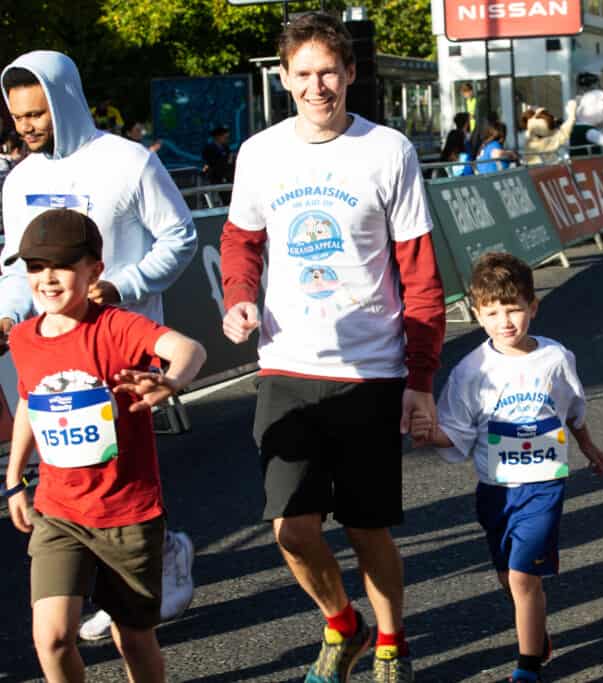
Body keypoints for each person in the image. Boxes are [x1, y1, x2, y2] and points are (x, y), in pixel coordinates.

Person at [219, 13, 445, 682]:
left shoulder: (388, 150)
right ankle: (341, 620)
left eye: (329, 71)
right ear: (283, 79)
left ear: (349, 73)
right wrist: (239, 294)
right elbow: (241, 239)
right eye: (304, 73)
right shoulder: (260, 152)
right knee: (292, 526)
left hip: (371, 369)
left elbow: (420, 272)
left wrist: (421, 376)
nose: (318, 85)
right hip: (287, 363)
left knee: (368, 527)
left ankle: (390, 642)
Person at [1, 50, 200, 641]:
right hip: (51, 342)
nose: (27, 127)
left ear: (65, 100)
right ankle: (103, 578)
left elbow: (181, 236)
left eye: (37, 113)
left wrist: (121, 287)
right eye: (17, 117)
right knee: (69, 462)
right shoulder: (23, 177)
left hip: (120, 339)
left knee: (115, 465)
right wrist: (7, 317)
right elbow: (19, 268)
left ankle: (156, 558)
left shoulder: (126, 161)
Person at [3, 209, 206, 683]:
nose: (46, 280)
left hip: (127, 512)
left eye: (61, 266)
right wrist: (15, 478)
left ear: (94, 270)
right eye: (35, 267)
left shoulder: (117, 327)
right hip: (59, 511)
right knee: (52, 639)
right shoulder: (24, 338)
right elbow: (32, 404)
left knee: (132, 638)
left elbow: (189, 348)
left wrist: (171, 380)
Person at [411, 252, 603, 683]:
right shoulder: (471, 371)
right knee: (509, 577)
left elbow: (572, 408)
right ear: (476, 314)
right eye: (493, 312)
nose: (505, 321)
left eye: (514, 308)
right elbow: (458, 433)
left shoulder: (556, 358)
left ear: (533, 306)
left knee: (522, 576)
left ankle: (526, 667)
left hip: (543, 485)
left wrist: (588, 445)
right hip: (495, 490)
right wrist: (430, 435)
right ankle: (535, 635)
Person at [438, 112, 472, 177]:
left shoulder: (453, 133)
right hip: (459, 173)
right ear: (466, 123)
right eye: (468, 122)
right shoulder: (461, 136)